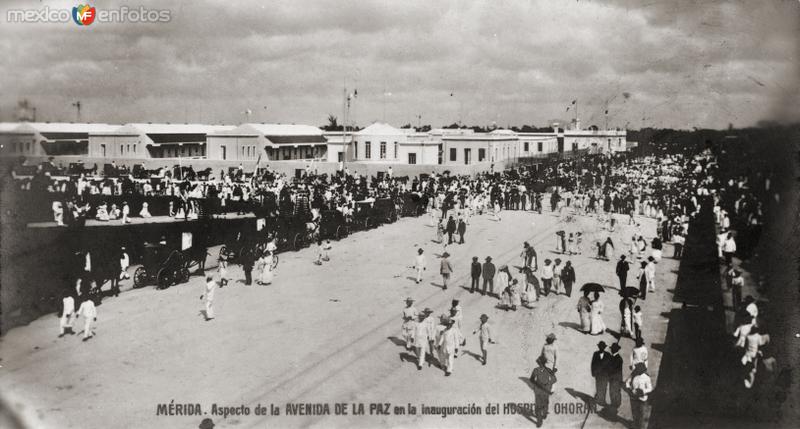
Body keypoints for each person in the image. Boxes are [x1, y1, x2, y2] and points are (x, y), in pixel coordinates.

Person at [530, 355, 557, 428]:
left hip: (546, 391)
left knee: (545, 404)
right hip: (538, 391)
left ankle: (544, 413)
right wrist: (536, 384)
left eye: (540, 363)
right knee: (538, 406)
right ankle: (539, 421)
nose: (539, 364)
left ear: (543, 363)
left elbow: (554, 379)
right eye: (538, 363)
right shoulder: (536, 370)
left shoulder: (548, 370)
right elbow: (531, 379)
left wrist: (548, 384)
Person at [626, 363, 653, 429]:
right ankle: (635, 426)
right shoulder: (633, 374)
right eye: (637, 369)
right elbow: (627, 382)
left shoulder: (646, 377)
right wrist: (630, 390)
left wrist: (643, 391)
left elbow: (650, 388)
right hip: (633, 398)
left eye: (638, 369)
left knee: (642, 415)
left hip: (642, 399)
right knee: (634, 413)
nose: (636, 370)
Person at [607, 343, 624, 416]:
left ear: (614, 350)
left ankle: (615, 405)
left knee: (614, 392)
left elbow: (613, 369)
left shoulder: (618, 359)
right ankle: (614, 404)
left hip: (615, 379)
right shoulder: (613, 357)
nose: (611, 350)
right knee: (613, 391)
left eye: (612, 349)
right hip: (613, 378)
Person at [592, 341, 610, 406]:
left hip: (605, 375)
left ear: (604, 348)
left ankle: (603, 400)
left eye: (602, 347)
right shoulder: (595, 354)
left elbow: (610, 366)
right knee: (598, 386)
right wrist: (593, 372)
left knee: (604, 387)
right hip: (598, 374)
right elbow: (593, 364)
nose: (601, 348)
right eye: (600, 347)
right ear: (598, 347)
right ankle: (598, 399)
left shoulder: (608, 355)